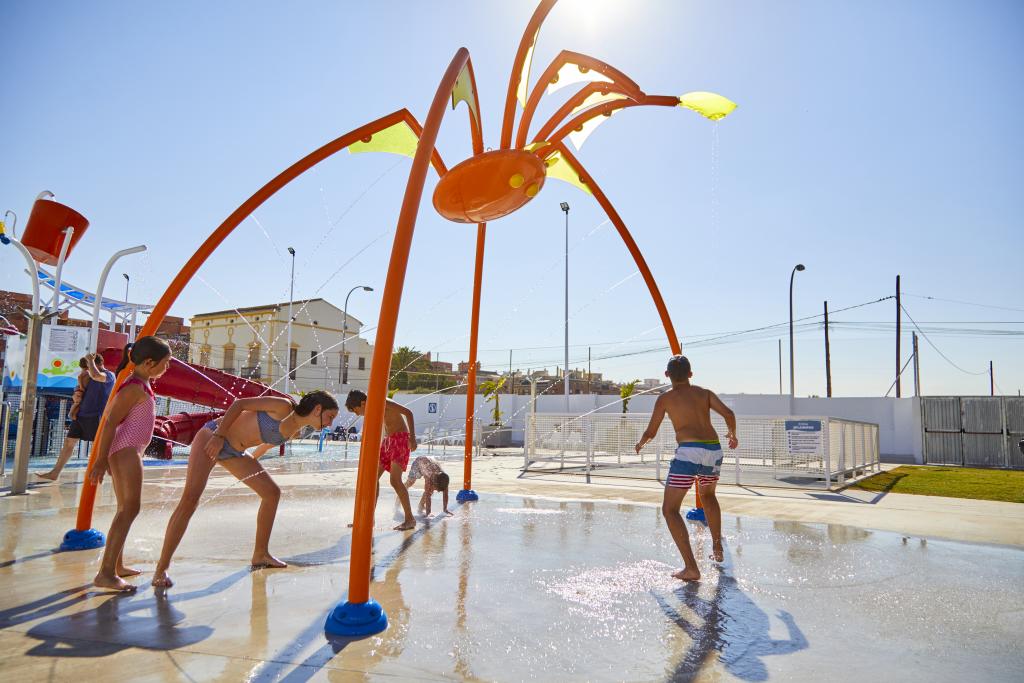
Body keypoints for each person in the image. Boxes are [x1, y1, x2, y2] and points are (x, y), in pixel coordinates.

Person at [151, 390, 339, 588]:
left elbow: (264, 446)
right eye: (330, 417)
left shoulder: (295, 430)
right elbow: (239, 404)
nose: (330, 423)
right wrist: (219, 435)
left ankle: (260, 554)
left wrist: (253, 468)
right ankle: (161, 569)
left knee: (271, 493)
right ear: (317, 409)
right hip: (213, 437)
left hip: (235, 453)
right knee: (190, 500)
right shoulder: (283, 406)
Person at [635, 355, 738, 582]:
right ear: (691, 374)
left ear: (667, 375)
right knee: (708, 496)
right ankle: (717, 547)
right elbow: (729, 414)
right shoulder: (705, 393)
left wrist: (641, 443)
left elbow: (651, 431)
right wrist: (732, 434)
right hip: (713, 450)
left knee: (670, 509)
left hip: (689, 452)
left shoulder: (665, 398)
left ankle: (691, 568)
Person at [88, 337, 173, 591]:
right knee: (130, 509)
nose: (167, 368)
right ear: (149, 363)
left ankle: (116, 566)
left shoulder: (141, 384)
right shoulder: (134, 388)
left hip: (127, 450)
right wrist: (101, 459)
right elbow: (109, 421)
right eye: (165, 363)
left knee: (124, 509)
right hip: (126, 450)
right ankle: (106, 573)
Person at [345, 389, 417, 531]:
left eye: (356, 411)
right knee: (372, 479)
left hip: (400, 439)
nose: (357, 414)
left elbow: (408, 413)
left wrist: (412, 438)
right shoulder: (372, 408)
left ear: (363, 403)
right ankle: (369, 518)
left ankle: (410, 519)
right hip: (388, 441)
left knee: (395, 480)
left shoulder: (383, 402)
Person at [38, 353, 115, 482]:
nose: (85, 371)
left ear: (97, 364)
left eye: (87, 368)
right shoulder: (86, 376)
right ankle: (54, 473)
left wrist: (90, 361)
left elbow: (96, 376)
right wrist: (76, 396)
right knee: (69, 443)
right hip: (81, 415)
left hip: (96, 416)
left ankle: (113, 474)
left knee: (100, 448)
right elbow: (80, 390)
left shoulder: (109, 375)